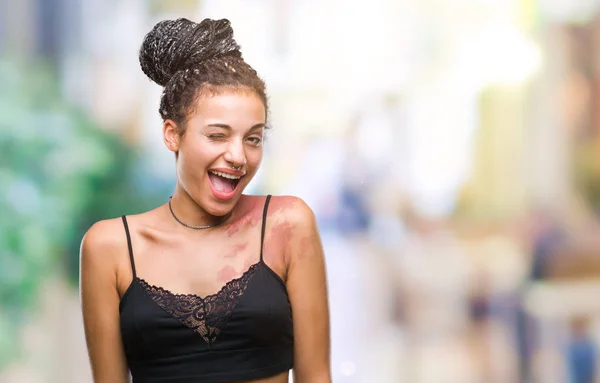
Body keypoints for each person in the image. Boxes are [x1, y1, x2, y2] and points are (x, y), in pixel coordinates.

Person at [79, 18, 331, 383]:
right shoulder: (110, 247)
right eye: (217, 135)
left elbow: (316, 377)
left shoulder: (287, 223)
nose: (238, 156)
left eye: (253, 139)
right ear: (172, 134)